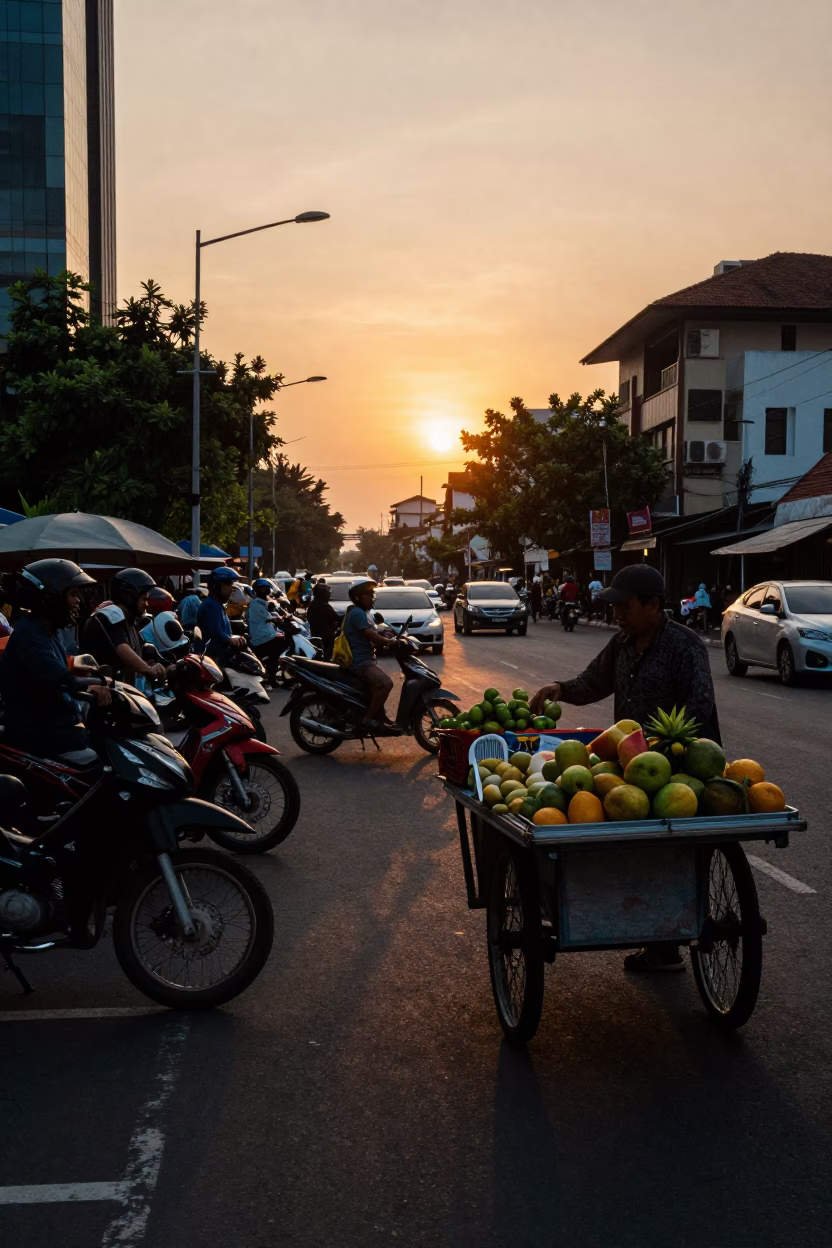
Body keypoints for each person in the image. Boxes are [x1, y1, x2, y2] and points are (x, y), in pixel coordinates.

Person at [529, 564, 720, 974]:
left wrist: (668, 751)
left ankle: (672, 933)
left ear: (653, 605)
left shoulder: (686, 647)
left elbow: (700, 710)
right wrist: (560, 688)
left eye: (625, 606)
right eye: (614, 607)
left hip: (681, 772)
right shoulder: (622, 643)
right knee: (634, 852)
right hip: (628, 775)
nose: (617, 614)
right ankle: (658, 942)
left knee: (674, 855)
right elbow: (592, 682)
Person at [0, 559, 111, 762]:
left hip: (57, 728)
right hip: (40, 735)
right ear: (51, 598)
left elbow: (56, 664)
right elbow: (61, 678)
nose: (78, 601)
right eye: (73, 594)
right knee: (102, 763)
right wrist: (94, 686)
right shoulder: (29, 635)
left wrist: (80, 667)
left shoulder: (48, 631)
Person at [82, 568, 167, 686]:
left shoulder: (129, 622)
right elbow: (122, 648)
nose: (146, 605)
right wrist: (148, 670)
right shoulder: (110, 614)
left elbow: (138, 653)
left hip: (120, 691)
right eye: (144, 599)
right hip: (100, 692)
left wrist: (160, 666)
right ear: (129, 596)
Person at [342, 577, 402, 734]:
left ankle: (379, 718)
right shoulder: (357, 613)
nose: (371, 597)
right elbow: (370, 635)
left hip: (365, 659)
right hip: (360, 661)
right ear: (357, 597)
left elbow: (374, 630)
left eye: (371, 594)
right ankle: (367, 720)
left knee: (376, 686)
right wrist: (388, 642)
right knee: (386, 683)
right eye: (367, 594)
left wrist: (388, 634)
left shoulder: (360, 612)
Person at [196, 567, 246, 664]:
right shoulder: (211, 604)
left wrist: (234, 638)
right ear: (216, 585)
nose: (232, 589)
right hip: (211, 659)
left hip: (219, 656)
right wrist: (229, 639)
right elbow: (215, 630)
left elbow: (223, 630)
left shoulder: (217, 604)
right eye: (228, 584)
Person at [247, 578, 284, 681]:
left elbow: (273, 614)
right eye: (261, 589)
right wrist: (278, 619)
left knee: (281, 637)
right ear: (257, 591)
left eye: (265, 588)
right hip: (261, 636)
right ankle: (272, 673)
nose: (264, 591)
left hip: (266, 632)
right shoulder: (256, 604)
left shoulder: (264, 603)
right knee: (281, 641)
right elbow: (269, 618)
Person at [306, 581, 339, 660]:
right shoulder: (323, 606)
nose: (329, 595)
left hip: (317, 636)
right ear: (322, 594)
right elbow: (336, 618)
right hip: (326, 639)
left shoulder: (313, 604)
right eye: (328, 593)